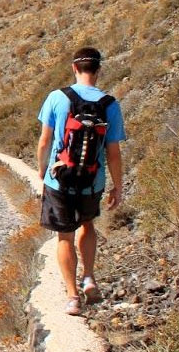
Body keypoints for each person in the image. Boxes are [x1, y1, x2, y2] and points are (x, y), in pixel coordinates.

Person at [36, 47, 125, 316]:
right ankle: (89, 277)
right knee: (87, 225)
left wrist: (42, 170)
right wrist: (118, 186)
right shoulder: (110, 104)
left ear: (74, 68)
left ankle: (72, 297)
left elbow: (44, 141)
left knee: (65, 236)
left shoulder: (57, 97)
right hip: (92, 180)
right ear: (98, 70)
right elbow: (113, 152)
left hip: (59, 179)